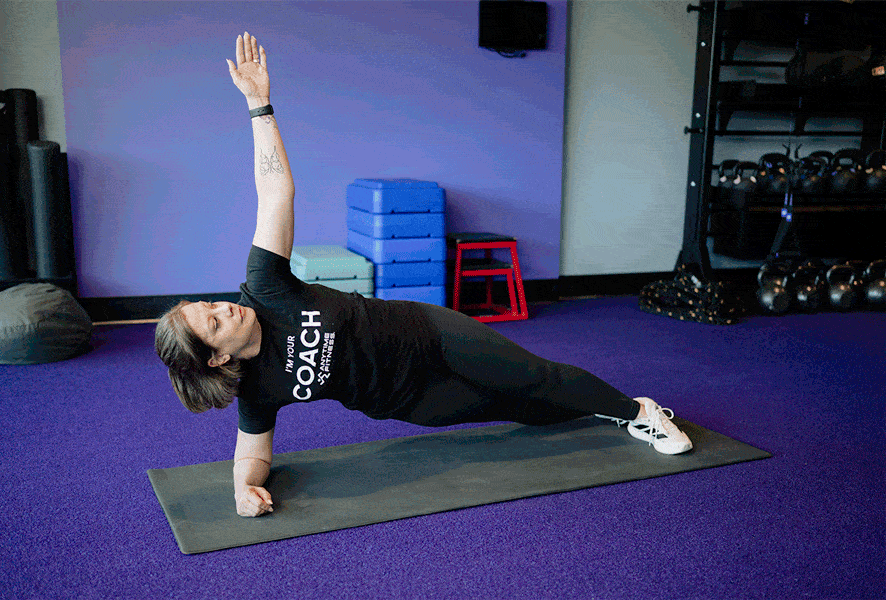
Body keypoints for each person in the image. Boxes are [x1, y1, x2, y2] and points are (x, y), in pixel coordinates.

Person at [154, 33, 693, 519]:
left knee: (534, 377)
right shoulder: (257, 389)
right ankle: (583, 411)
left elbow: (275, 193)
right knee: (520, 409)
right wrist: (242, 489)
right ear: (218, 357)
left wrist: (258, 105)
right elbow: (251, 454)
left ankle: (638, 410)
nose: (225, 308)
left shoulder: (264, 287)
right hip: (409, 400)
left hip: (426, 331)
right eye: (214, 321)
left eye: (212, 303)